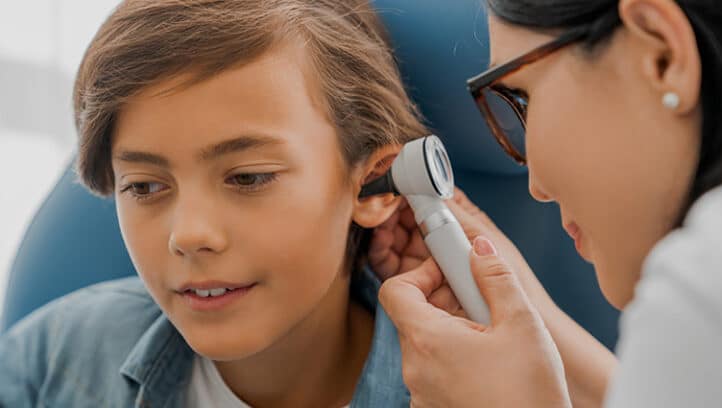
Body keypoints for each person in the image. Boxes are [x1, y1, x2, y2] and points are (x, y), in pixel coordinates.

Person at [0, 0, 428, 407]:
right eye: (144, 187)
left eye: (248, 178)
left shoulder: (455, 388)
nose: (188, 235)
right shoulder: (52, 357)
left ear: (375, 186)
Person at [370, 0, 722, 407]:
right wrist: (537, 326)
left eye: (522, 99)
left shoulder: (717, 288)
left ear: (661, 56)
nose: (537, 187)